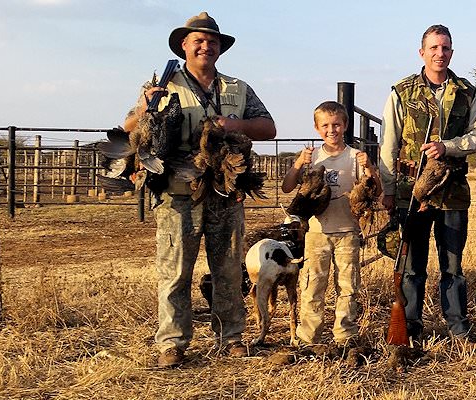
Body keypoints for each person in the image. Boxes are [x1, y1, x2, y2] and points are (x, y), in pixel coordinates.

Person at [124, 12, 277, 368]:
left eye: (212, 41)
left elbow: (268, 127)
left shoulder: (238, 89)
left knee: (227, 267)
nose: (205, 46)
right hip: (177, 190)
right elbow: (128, 125)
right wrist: (147, 106)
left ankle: (231, 337)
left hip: (225, 191)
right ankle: (173, 342)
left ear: (220, 49)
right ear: (184, 46)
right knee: (175, 269)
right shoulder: (162, 85)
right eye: (198, 40)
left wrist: (234, 124)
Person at [379, 25, 476, 342]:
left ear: (452, 52)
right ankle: (410, 328)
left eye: (446, 48)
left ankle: (458, 327)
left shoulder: (468, 92)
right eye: (434, 48)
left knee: (452, 266)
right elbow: (388, 143)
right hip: (410, 193)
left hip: (452, 193)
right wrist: (387, 189)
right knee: (412, 267)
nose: (440, 53)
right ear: (422, 52)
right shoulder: (402, 91)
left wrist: (447, 147)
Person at [279, 101, 372, 364]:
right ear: (317, 128)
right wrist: (298, 164)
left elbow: (372, 190)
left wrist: (370, 169)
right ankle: (308, 339)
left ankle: (345, 336)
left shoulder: (355, 156)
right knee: (312, 286)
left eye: (337, 125)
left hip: (347, 231)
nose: (331, 130)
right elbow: (287, 188)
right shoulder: (311, 158)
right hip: (317, 232)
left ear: (345, 126)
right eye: (326, 126)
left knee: (348, 286)